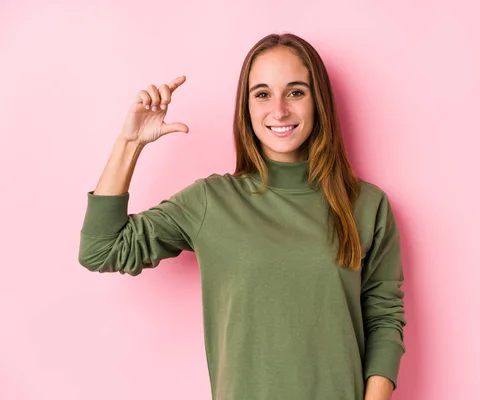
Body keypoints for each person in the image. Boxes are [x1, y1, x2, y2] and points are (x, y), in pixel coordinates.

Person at [78, 32, 407, 400]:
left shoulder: (366, 204)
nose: (279, 110)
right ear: (246, 107)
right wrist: (130, 143)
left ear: (318, 102)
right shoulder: (212, 201)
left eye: (296, 92)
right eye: (262, 94)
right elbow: (102, 249)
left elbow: (383, 318)